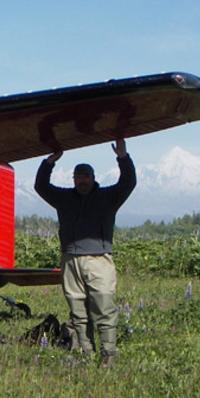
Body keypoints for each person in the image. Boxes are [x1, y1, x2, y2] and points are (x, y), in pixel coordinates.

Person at [34, 139, 136, 368]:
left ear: (93, 178)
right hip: (70, 260)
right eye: (78, 177)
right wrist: (49, 162)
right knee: (78, 311)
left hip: (98, 259)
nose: (82, 180)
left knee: (104, 309)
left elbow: (128, 182)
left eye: (85, 176)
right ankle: (87, 354)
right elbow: (41, 187)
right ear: (73, 179)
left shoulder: (109, 197)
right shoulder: (64, 198)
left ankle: (108, 356)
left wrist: (123, 158)